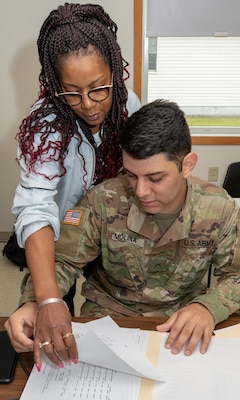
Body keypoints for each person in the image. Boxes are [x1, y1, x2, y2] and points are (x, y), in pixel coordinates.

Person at [5, 100, 240, 371]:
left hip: (180, 323)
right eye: (131, 175)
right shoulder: (103, 201)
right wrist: (35, 302)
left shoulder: (218, 208)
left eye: (155, 178)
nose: (141, 191)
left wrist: (208, 308)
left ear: (187, 165)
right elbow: (62, 262)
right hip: (109, 321)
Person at [10, 3, 140, 315]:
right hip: (60, 237)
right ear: (55, 85)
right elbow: (35, 206)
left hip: (111, 229)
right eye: (71, 92)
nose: (88, 105)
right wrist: (50, 300)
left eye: (99, 89)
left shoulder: (128, 105)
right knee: (56, 306)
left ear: (114, 70)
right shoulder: (44, 125)